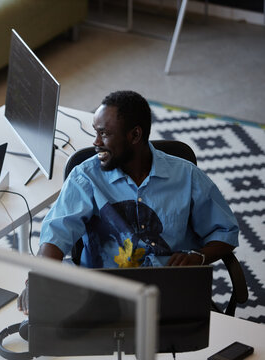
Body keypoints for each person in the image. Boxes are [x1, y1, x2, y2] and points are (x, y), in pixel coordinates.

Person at [17, 90, 239, 314]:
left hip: (168, 291)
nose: (96, 142)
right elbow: (57, 233)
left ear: (134, 136)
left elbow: (225, 232)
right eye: (96, 132)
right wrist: (38, 280)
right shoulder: (86, 176)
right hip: (102, 292)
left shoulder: (187, 176)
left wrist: (198, 257)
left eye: (104, 134)